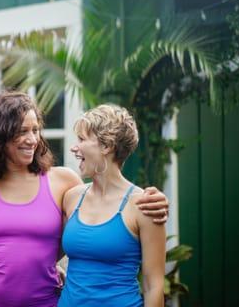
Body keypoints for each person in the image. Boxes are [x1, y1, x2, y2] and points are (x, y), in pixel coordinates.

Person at [0, 91, 168, 307]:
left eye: (35, 130)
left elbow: (153, 283)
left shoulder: (69, 185)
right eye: (22, 131)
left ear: (107, 146)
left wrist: (157, 200)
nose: (33, 139)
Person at [59, 104, 166, 306]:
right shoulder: (71, 197)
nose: (74, 147)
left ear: (106, 146)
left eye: (82, 139)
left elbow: (154, 285)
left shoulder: (144, 206)